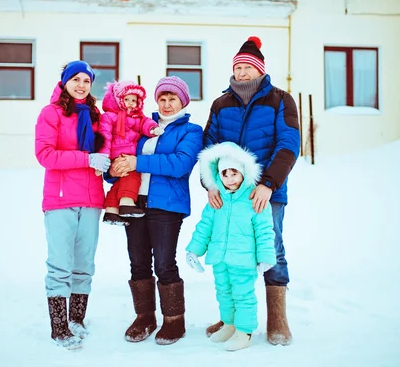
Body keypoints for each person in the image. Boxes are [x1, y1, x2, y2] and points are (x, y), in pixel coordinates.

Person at [203, 36, 300, 346]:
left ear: (260, 70)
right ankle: (231, 317)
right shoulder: (221, 104)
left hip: (265, 192)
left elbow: (288, 145)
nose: (242, 72)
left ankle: (277, 319)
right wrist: (210, 184)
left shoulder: (280, 100)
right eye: (238, 67)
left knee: (271, 248)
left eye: (248, 67)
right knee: (228, 253)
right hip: (228, 193)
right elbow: (209, 148)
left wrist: (268, 183)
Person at [109, 76, 203, 345]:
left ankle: (174, 321)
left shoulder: (191, 131)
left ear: (183, 101)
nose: (166, 103)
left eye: (172, 98)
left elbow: (180, 164)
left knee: (164, 263)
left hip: (167, 205)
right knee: (138, 262)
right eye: (162, 98)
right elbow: (123, 154)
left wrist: (137, 161)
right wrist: (115, 170)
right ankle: (144, 317)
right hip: (134, 202)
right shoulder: (141, 127)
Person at [34, 60, 111, 350]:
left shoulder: (94, 115)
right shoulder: (51, 113)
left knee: (84, 265)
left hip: (91, 198)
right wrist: (86, 158)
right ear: (65, 82)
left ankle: (77, 319)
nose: (81, 85)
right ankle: (59, 327)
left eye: (87, 81)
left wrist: (107, 160)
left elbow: (105, 145)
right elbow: (45, 155)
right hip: (60, 199)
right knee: (60, 266)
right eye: (76, 79)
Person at [185, 142, 276, 351]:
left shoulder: (255, 198)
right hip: (219, 258)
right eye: (225, 174)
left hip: (243, 260)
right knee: (223, 292)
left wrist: (265, 256)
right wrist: (194, 250)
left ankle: (244, 331)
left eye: (234, 173)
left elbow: (264, 230)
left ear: (244, 172)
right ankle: (229, 324)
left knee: (243, 295)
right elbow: (205, 226)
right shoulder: (217, 200)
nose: (230, 179)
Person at [99, 80, 164, 225]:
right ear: (118, 100)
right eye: (126, 99)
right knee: (133, 176)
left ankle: (111, 211)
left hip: (130, 154)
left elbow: (145, 123)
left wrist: (153, 129)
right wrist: (103, 156)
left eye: (134, 100)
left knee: (120, 182)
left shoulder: (137, 118)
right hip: (117, 155)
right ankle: (127, 203)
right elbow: (104, 136)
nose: (130, 103)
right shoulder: (110, 116)